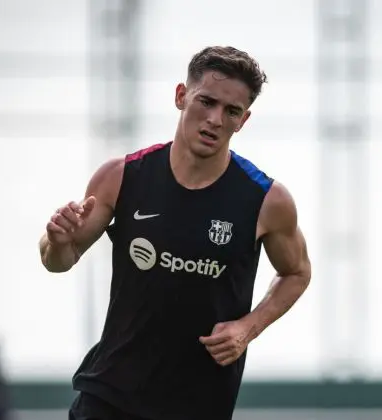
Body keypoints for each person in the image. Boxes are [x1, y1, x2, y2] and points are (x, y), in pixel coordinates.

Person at [38, 46, 312, 420]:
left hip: (199, 406)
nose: (215, 119)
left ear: (243, 120)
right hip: (109, 396)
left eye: (231, 111)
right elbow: (60, 260)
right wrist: (55, 239)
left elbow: (297, 272)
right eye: (207, 102)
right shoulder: (121, 177)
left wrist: (248, 328)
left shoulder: (266, 200)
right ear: (181, 96)